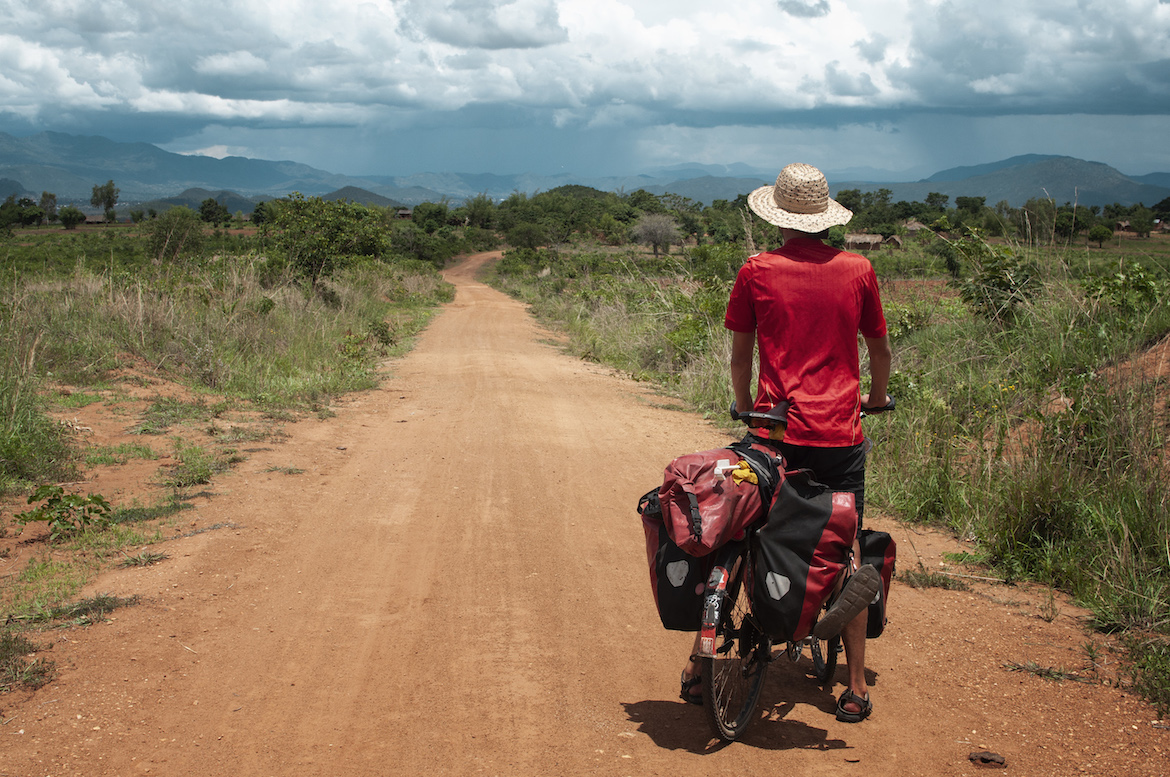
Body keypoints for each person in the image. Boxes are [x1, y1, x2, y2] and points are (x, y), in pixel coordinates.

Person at [679, 162, 892, 724]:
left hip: (773, 430)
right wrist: (875, 398)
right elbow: (879, 352)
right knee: (843, 544)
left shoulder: (757, 270)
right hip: (839, 434)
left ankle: (700, 668)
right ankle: (852, 688)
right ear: (827, 219)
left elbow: (740, 354)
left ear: (777, 219)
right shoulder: (858, 269)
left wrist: (743, 402)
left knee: (745, 524)